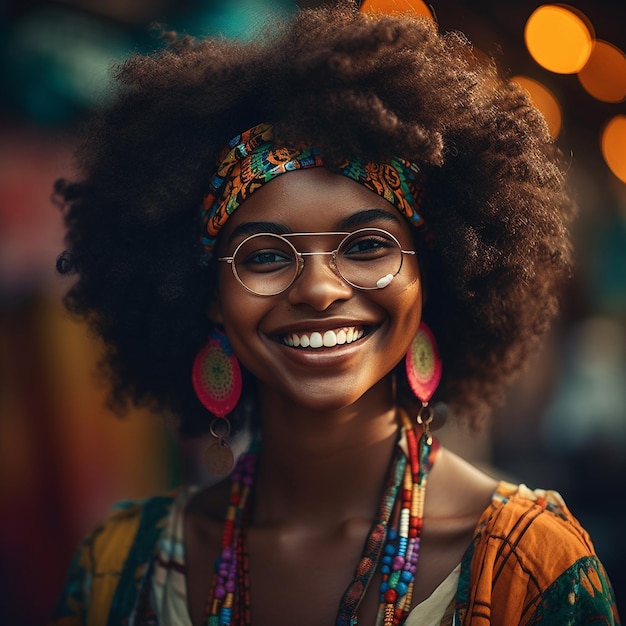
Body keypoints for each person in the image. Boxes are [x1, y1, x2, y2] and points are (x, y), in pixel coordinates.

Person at [49, 4, 620, 625]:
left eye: (368, 245)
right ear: (206, 293)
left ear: (430, 275)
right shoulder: (119, 566)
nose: (319, 289)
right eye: (265, 255)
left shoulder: (529, 564)